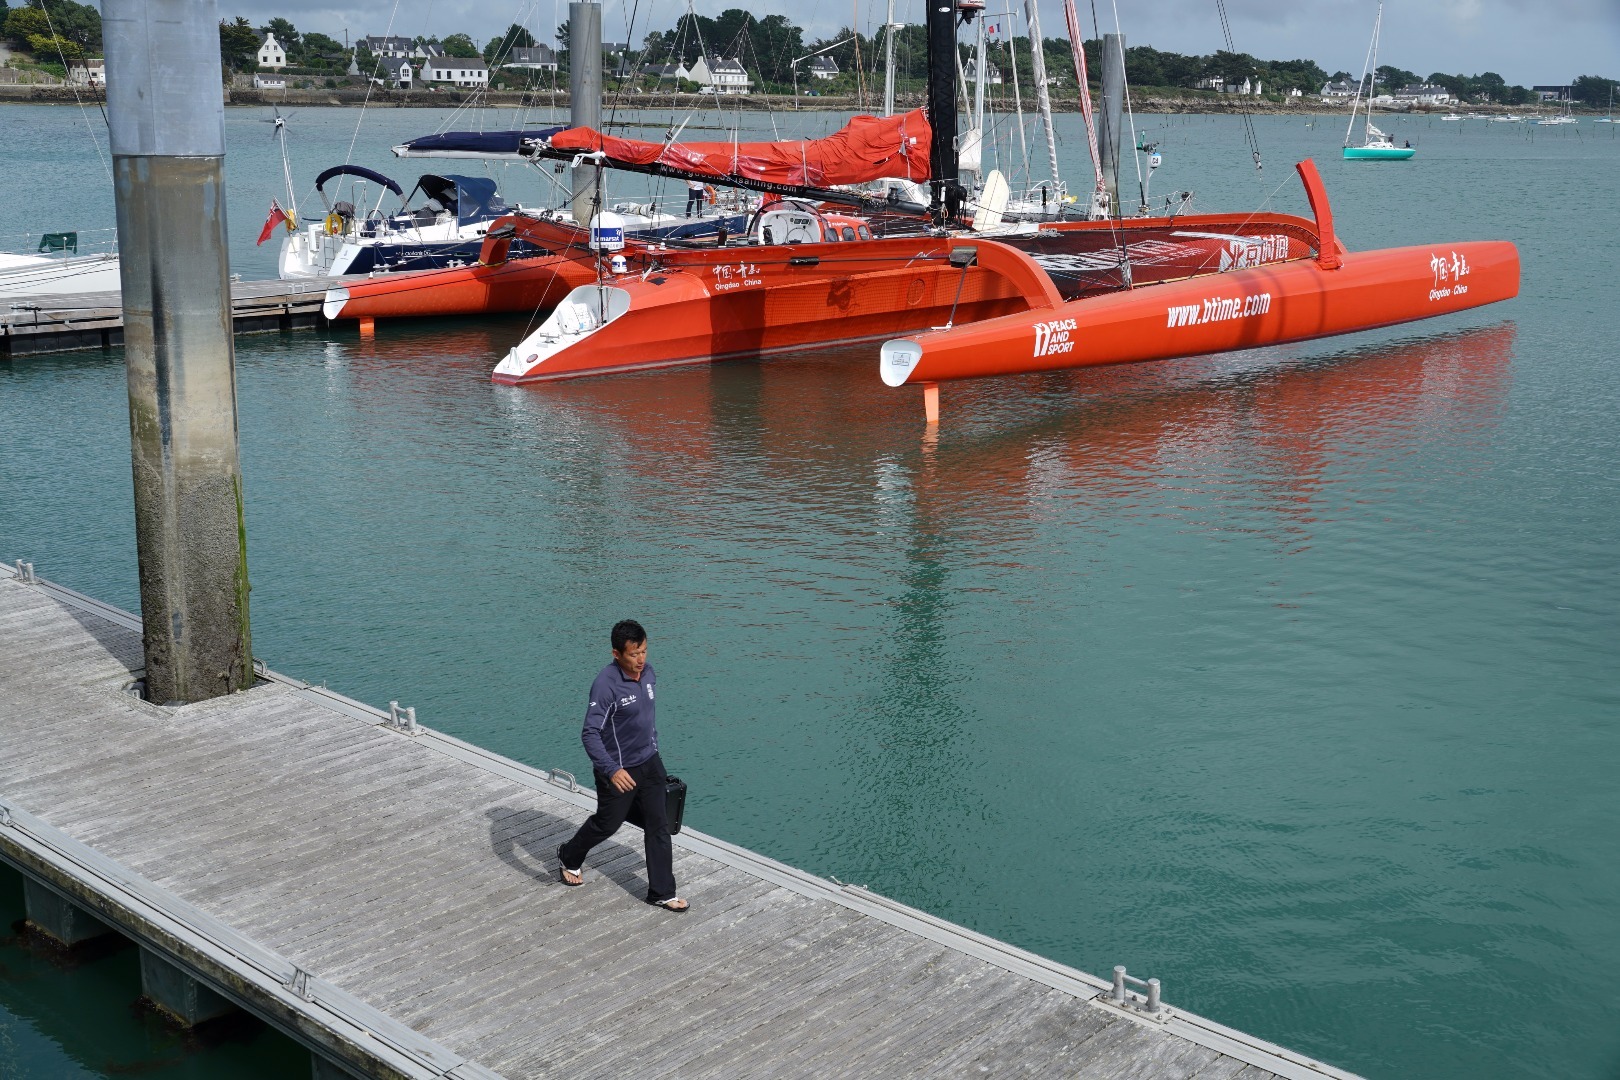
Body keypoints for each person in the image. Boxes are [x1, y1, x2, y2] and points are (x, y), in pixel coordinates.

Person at [556, 620, 687, 911]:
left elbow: (645, 719)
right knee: (607, 823)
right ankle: (569, 855)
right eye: (633, 654)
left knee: (659, 825)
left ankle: (661, 892)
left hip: (650, 763)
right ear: (617, 654)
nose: (640, 660)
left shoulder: (649, 674)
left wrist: (653, 748)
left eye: (643, 651)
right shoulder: (606, 685)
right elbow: (590, 733)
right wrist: (611, 769)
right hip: (618, 771)